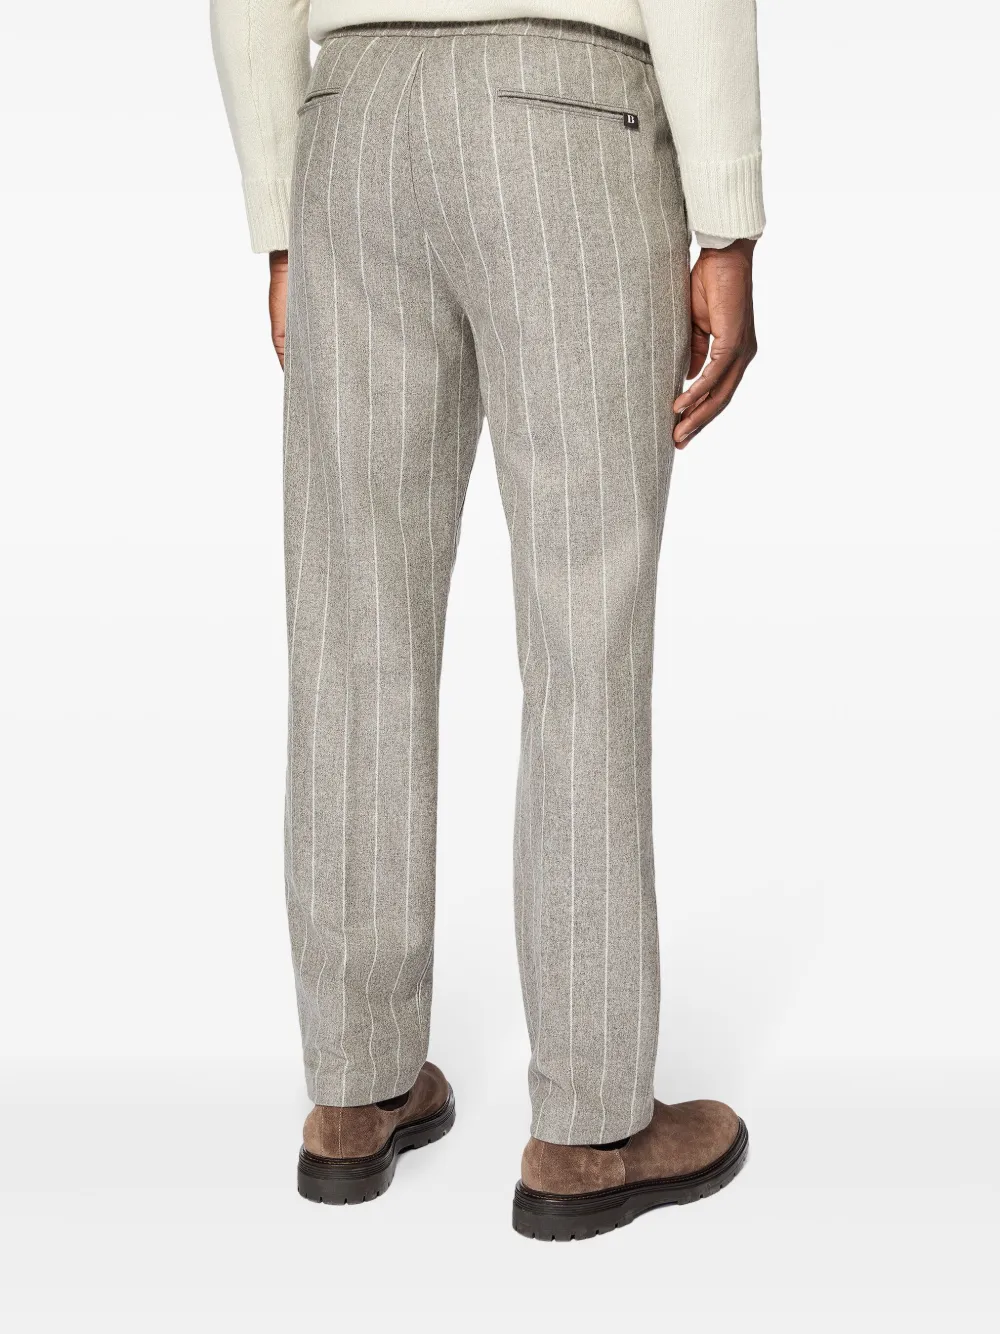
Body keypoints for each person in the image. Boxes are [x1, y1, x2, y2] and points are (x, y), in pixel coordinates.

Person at [210, 1, 763, 1240]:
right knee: (583, 627)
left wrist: (281, 219)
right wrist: (726, 220)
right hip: (566, 117)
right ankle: (590, 1125)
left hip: (354, 124)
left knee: (348, 622)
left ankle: (353, 1089)